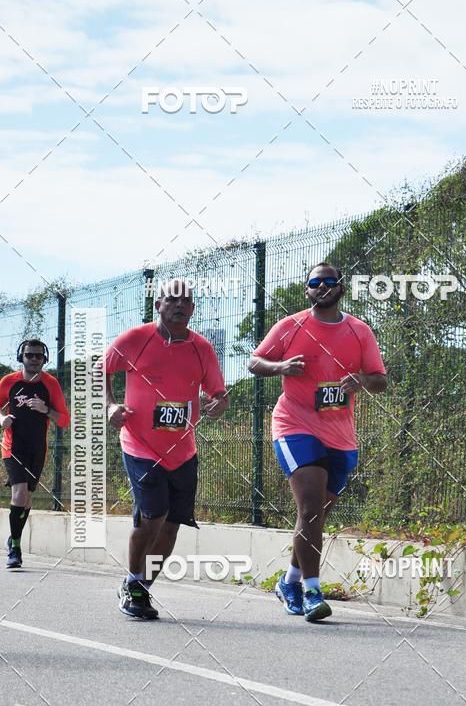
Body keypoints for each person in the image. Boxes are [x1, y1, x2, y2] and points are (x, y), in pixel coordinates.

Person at [249, 263, 387, 622]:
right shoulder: (290, 326)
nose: (322, 286)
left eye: (329, 281)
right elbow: (254, 362)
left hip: (340, 436)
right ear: (307, 290)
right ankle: (312, 592)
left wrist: (361, 380)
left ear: (340, 287)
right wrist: (279, 368)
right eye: (315, 282)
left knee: (315, 517)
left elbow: (380, 380)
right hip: (294, 424)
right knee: (309, 509)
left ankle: (289, 581)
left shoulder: (359, 331)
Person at [102, 279, 228, 619]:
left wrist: (218, 403)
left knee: (172, 523)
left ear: (193, 309)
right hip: (140, 445)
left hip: (183, 450)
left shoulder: (201, 348)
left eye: (187, 300)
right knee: (153, 516)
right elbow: (102, 370)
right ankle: (132, 579)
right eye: (172, 299)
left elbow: (219, 392)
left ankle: (139, 589)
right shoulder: (135, 339)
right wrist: (111, 406)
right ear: (158, 305)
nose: (180, 305)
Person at [0, 339, 70, 568]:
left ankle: (14, 537)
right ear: (21, 357)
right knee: (19, 494)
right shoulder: (8, 382)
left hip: (37, 449)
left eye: (39, 356)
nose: (34, 360)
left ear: (44, 359)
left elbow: (64, 420)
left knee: (27, 499)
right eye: (29, 355)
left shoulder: (50, 385)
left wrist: (46, 409)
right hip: (13, 448)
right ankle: (16, 549)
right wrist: (3, 419)